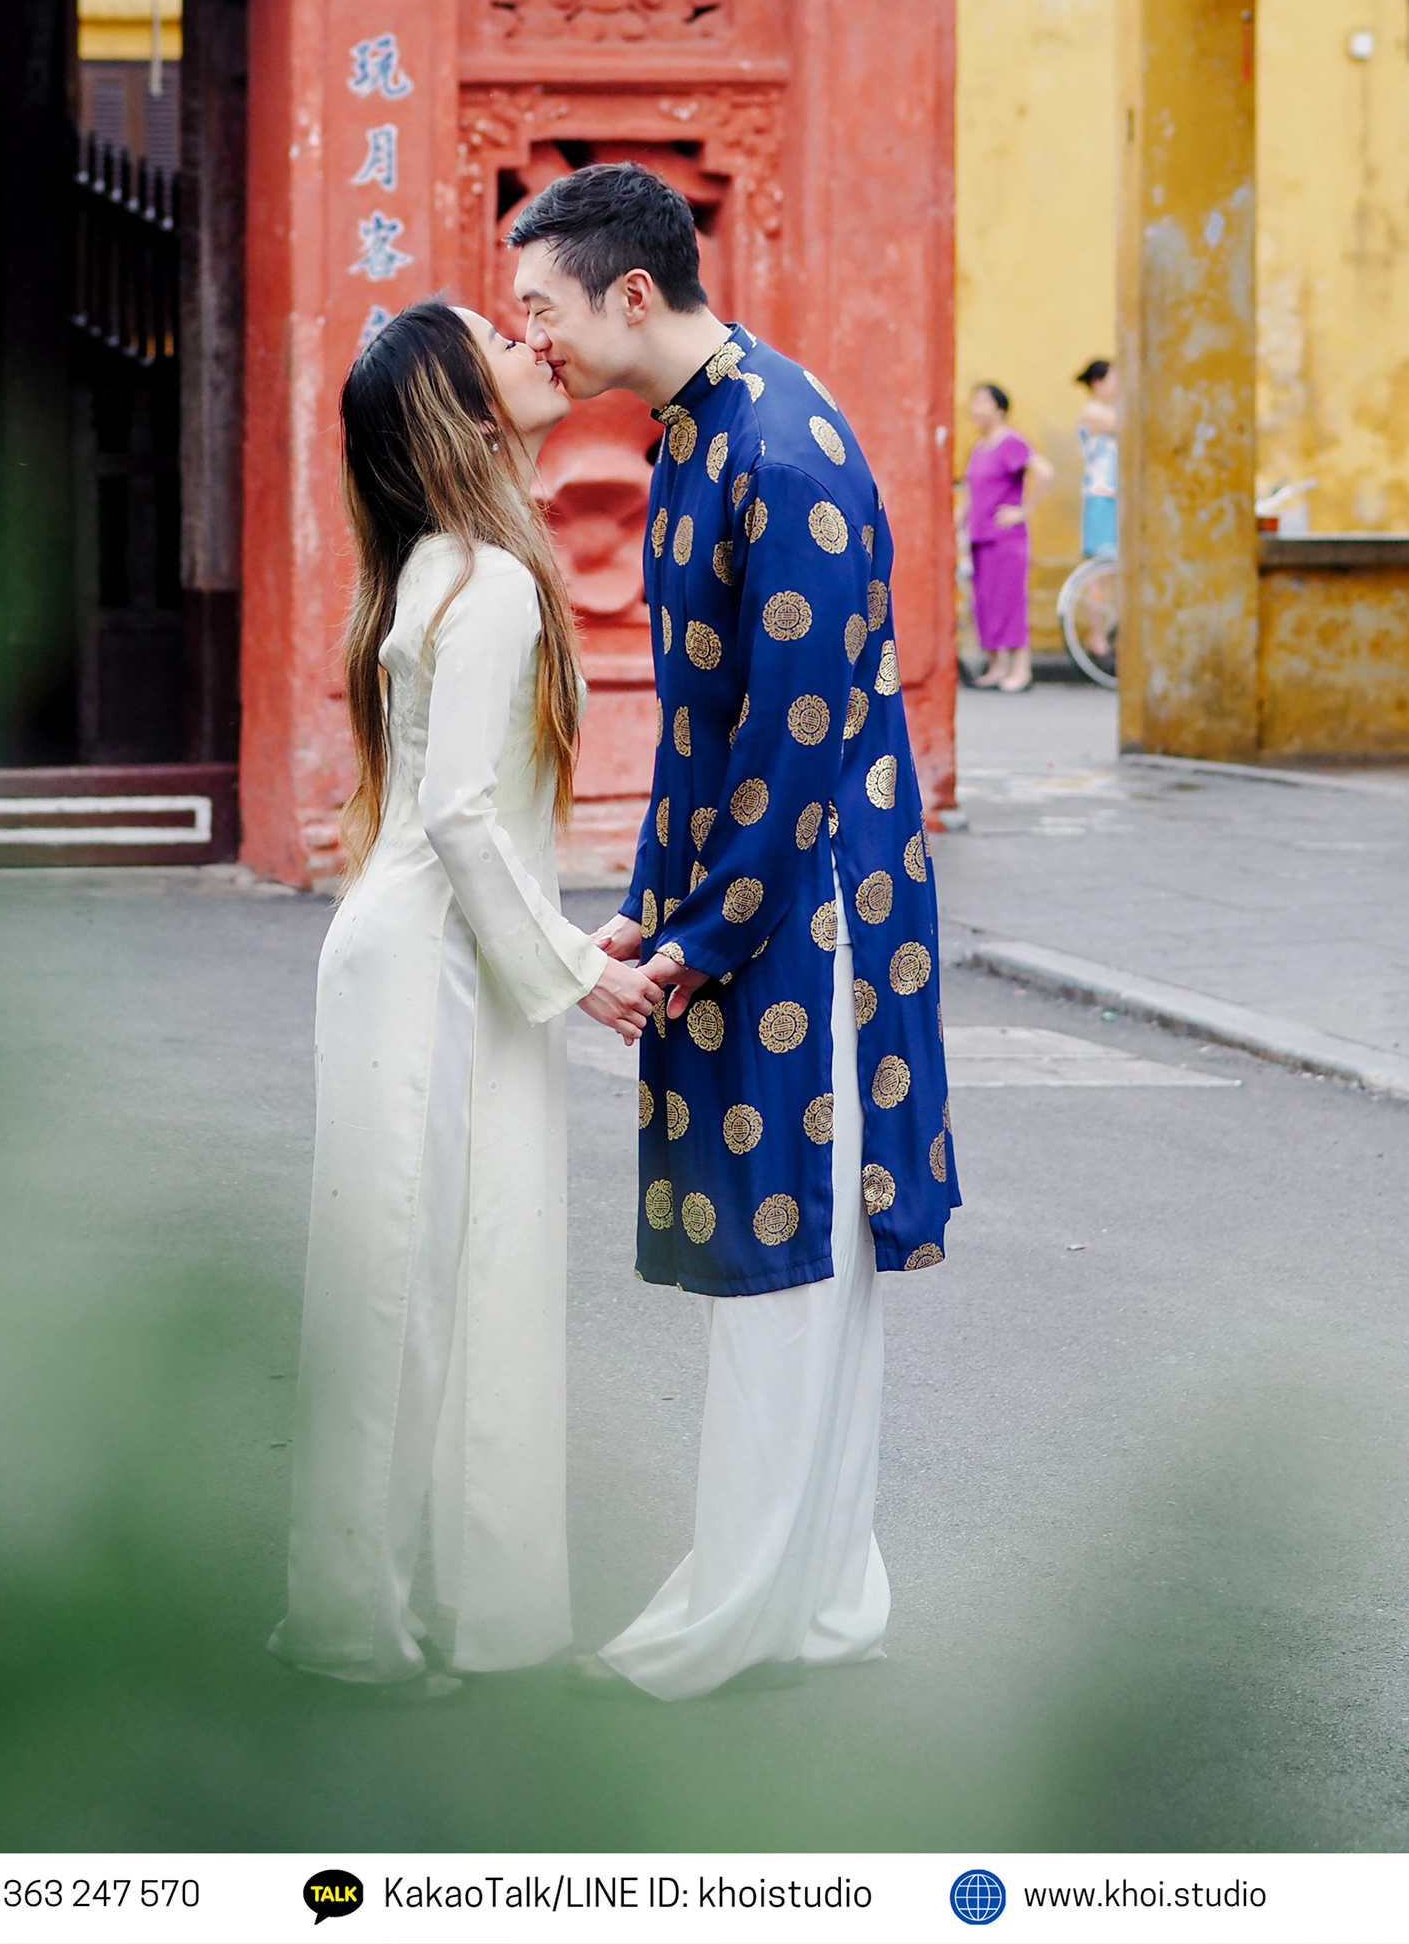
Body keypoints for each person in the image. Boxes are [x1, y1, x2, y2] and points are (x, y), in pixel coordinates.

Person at [507, 163, 956, 1702]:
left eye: (541, 309)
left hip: (813, 919)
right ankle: (815, 1597)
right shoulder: (702, 432)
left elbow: (796, 742)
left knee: (789, 1262)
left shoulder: (782, 448)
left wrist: (691, 944)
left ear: (631, 294)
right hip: (767, 901)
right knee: (796, 1260)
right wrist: (648, 905)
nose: (532, 341)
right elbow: (701, 731)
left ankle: (742, 1612)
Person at [271, 294, 657, 1694]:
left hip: (422, 952)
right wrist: (577, 975)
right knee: (404, 1293)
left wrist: (565, 951)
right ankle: (354, 1629)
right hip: (429, 957)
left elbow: (464, 822)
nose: (532, 341)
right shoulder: (486, 581)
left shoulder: (448, 566)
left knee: (416, 1279)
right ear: (468, 409)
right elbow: (457, 816)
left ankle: (400, 1599)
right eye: (500, 336)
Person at [962, 382, 1053, 694]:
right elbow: (970, 492)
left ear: (1000, 409)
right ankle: (996, 666)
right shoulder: (979, 447)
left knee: (1010, 601)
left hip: (1006, 538)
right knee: (985, 602)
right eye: (973, 402)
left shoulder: (1011, 441)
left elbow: (1043, 471)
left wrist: (1023, 511)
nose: (975, 408)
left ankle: (1021, 669)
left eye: (983, 402)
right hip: (980, 537)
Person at [1075, 358, 1118, 558]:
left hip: (1115, 491)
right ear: (1097, 383)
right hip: (1101, 491)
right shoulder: (1092, 411)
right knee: (1101, 556)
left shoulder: (1110, 409)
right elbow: (1122, 424)